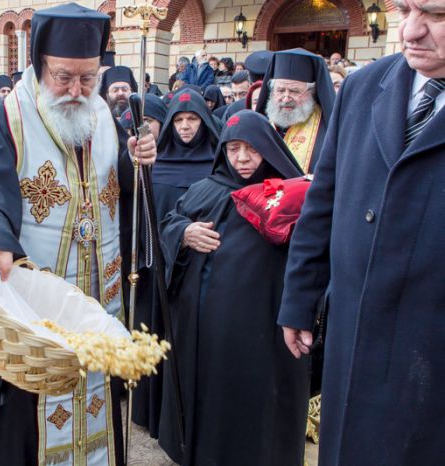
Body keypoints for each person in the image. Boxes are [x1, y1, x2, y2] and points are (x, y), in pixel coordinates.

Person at [0, 3, 158, 465]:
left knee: (97, 396)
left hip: (96, 290)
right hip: (39, 299)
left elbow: (113, 187)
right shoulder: (11, 115)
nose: (75, 89)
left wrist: (135, 161)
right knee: (32, 410)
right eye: (64, 76)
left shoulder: (103, 112)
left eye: (87, 77)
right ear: (40, 63)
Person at [278, 0, 445, 464]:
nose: (411, 30)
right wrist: (299, 298)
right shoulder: (365, 85)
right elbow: (324, 201)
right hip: (355, 337)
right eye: (404, 8)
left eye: (437, 15)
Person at [159, 110, 309, 466]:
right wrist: (183, 233)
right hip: (208, 331)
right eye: (233, 148)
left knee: (261, 412)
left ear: (269, 149)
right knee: (211, 405)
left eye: (252, 149)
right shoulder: (205, 189)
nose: (241, 159)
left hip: (268, 327)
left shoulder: (293, 193)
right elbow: (171, 220)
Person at [133, 90, 219, 439]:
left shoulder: (218, 162)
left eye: (193, 120)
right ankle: (152, 413)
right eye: (179, 120)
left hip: (199, 275)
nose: (185, 127)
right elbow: (143, 213)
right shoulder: (157, 162)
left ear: (204, 122)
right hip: (158, 269)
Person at [255, 48, 335, 173]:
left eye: (294, 91)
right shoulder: (261, 122)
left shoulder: (328, 128)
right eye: (280, 90)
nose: (286, 99)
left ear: (311, 92)